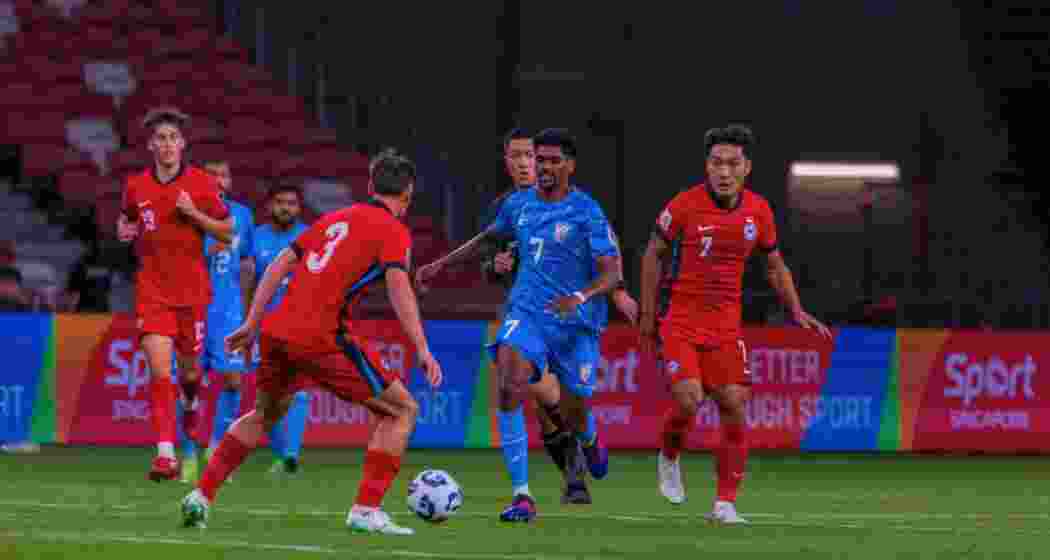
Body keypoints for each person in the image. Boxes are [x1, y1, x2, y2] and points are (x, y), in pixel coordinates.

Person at [181, 151, 441, 536]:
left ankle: (200, 496)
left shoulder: (334, 218)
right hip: (323, 335)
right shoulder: (393, 230)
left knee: (263, 415)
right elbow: (398, 287)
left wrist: (252, 321)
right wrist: (421, 346)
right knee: (402, 410)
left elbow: (280, 263)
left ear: (371, 186)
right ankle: (366, 509)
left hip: (278, 330)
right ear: (408, 194)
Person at [417, 128, 623, 521]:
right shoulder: (517, 205)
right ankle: (522, 496)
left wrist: (581, 297)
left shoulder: (587, 210)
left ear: (570, 166)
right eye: (539, 159)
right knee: (510, 381)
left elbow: (611, 271)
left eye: (552, 160)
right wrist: (440, 265)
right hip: (527, 312)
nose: (543, 166)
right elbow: (486, 239)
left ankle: (590, 439)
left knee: (573, 409)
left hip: (574, 322)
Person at [639, 124, 831, 524]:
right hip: (680, 320)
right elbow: (653, 253)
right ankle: (669, 454)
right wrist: (647, 314)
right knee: (688, 399)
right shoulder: (684, 205)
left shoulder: (759, 211)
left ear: (747, 168)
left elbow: (774, 265)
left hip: (726, 327)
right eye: (716, 163)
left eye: (732, 163)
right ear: (706, 166)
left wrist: (796, 309)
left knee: (733, 405)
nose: (724, 171)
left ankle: (724, 504)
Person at [117, 107, 233, 482]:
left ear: (182, 144)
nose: (167, 144)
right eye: (160, 138)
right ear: (151, 146)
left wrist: (194, 215)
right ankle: (165, 455)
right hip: (152, 291)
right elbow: (127, 218)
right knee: (159, 369)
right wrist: (124, 229)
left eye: (172, 138)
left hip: (192, 294)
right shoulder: (136, 186)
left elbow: (228, 231)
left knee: (189, 372)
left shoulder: (201, 184)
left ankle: (192, 401)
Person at [176, 159, 257, 483]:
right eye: (211, 175)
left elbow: (247, 265)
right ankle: (188, 454)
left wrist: (248, 314)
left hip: (230, 310)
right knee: (190, 380)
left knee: (234, 381)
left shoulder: (243, 215)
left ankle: (216, 449)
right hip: (194, 307)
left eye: (224, 174)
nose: (218, 180)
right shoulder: (186, 213)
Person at [248, 183, 310, 476]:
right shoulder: (256, 237)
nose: (286, 208)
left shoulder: (310, 236)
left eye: (292, 203)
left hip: (301, 326)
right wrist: (247, 322)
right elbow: (247, 282)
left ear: (299, 208)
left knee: (299, 392)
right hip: (264, 329)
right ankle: (280, 454)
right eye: (280, 202)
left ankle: (291, 456)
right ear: (270, 206)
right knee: (268, 395)